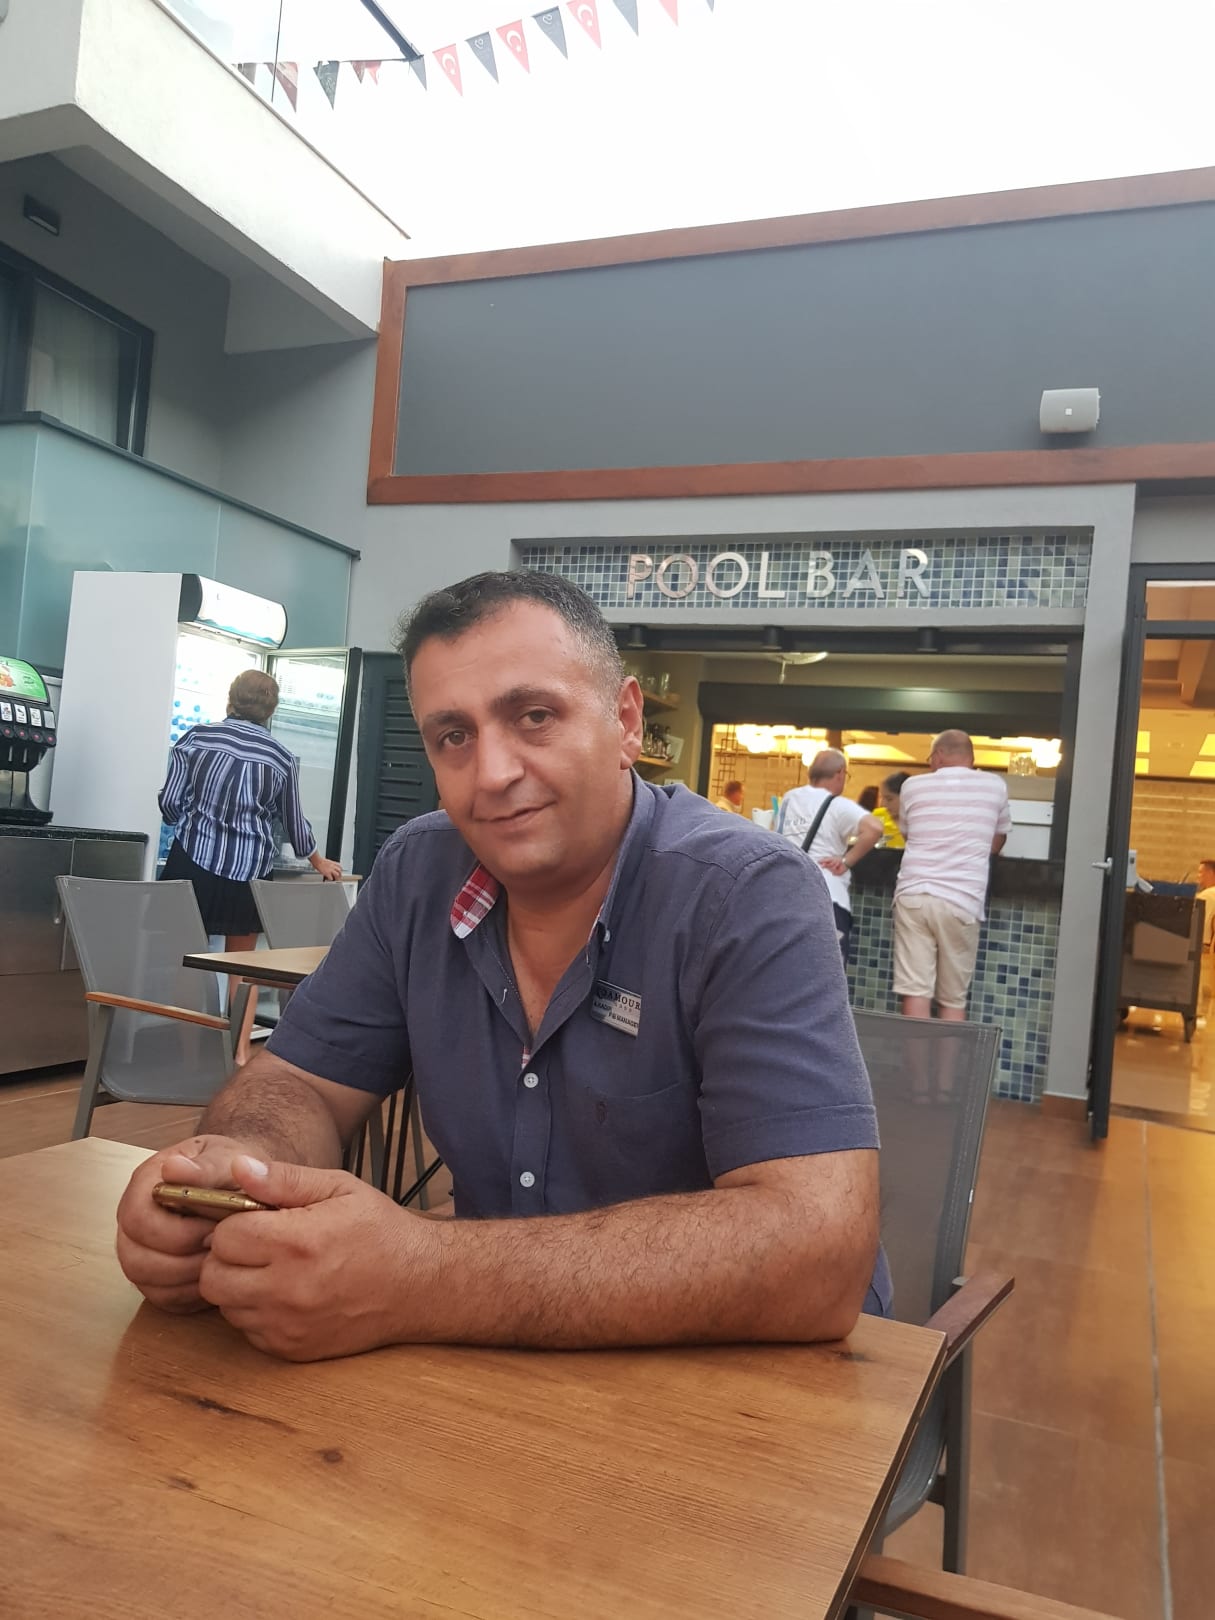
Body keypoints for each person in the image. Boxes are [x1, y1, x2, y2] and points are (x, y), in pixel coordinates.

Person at [118, 571, 889, 1362]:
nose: (490, 774)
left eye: (534, 717)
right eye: (453, 735)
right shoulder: (419, 873)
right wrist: (234, 1173)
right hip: (485, 1371)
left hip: (743, 1387)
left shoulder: (744, 892)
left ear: (625, 722)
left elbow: (818, 1250)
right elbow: (300, 1081)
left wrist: (420, 1274)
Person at [158, 669, 342, 1061]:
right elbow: (294, 823)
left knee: (187, 962)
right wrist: (318, 860)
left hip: (192, 861)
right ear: (270, 710)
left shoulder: (196, 738)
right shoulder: (281, 758)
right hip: (250, 870)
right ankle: (239, 1053)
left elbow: (170, 804)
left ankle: (188, 1055)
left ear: (231, 698)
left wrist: (185, 815)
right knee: (243, 967)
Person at [893, 730, 1011, 1020]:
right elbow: (997, 840)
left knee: (915, 992)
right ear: (971, 757)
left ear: (939, 755)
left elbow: (909, 835)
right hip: (962, 899)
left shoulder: (913, 785)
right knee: (952, 1000)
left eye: (930, 758)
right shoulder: (995, 785)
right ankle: (948, 1055)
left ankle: (914, 1055)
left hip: (914, 894)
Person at [775, 750, 884, 961]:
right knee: (827, 970)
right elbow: (874, 828)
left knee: (789, 967)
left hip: (790, 896)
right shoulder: (837, 805)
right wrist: (846, 862)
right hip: (828, 898)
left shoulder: (790, 798)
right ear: (840, 773)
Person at [875, 771, 910, 849]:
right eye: (881, 798)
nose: (883, 804)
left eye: (889, 799)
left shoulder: (917, 821)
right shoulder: (878, 817)